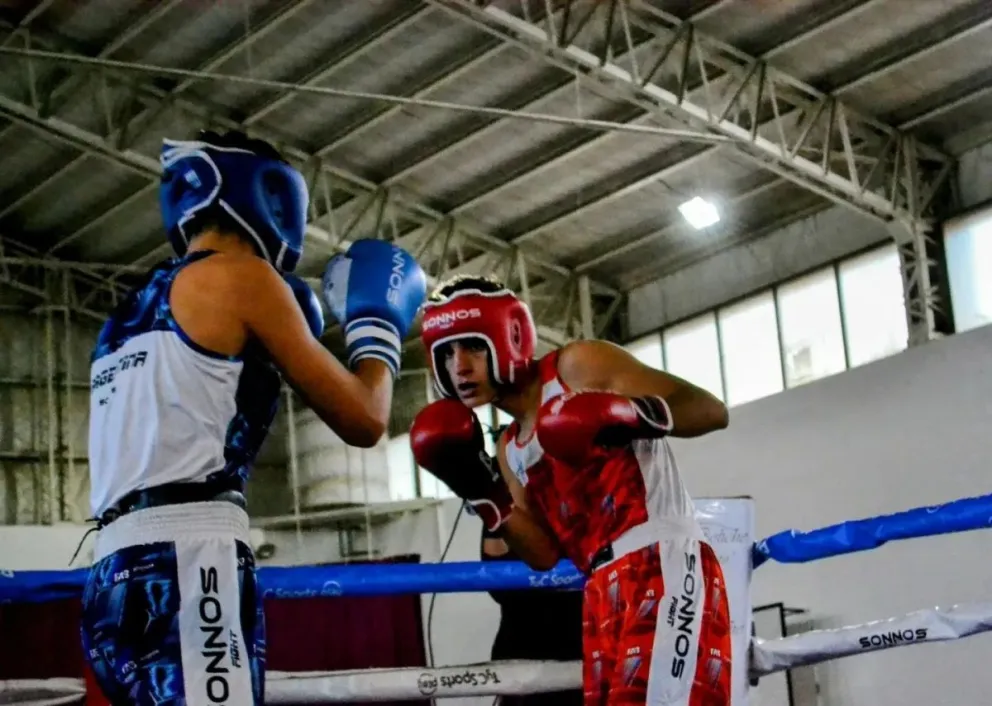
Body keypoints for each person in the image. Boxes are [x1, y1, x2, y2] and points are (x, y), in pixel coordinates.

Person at [81, 129, 426, 706]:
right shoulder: (245, 277)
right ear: (271, 197)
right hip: (189, 564)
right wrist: (378, 330)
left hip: (110, 578)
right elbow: (366, 419)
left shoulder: (129, 313)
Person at [410, 276, 732, 706]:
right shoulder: (510, 449)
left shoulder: (576, 367)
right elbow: (543, 554)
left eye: (471, 346)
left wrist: (626, 412)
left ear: (508, 336)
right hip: (598, 589)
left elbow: (710, 410)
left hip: (662, 558)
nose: (459, 366)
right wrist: (481, 492)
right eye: (446, 353)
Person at [482, 521, 584, 706]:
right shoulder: (506, 505)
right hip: (523, 651)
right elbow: (498, 585)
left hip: (578, 650)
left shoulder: (582, 505)